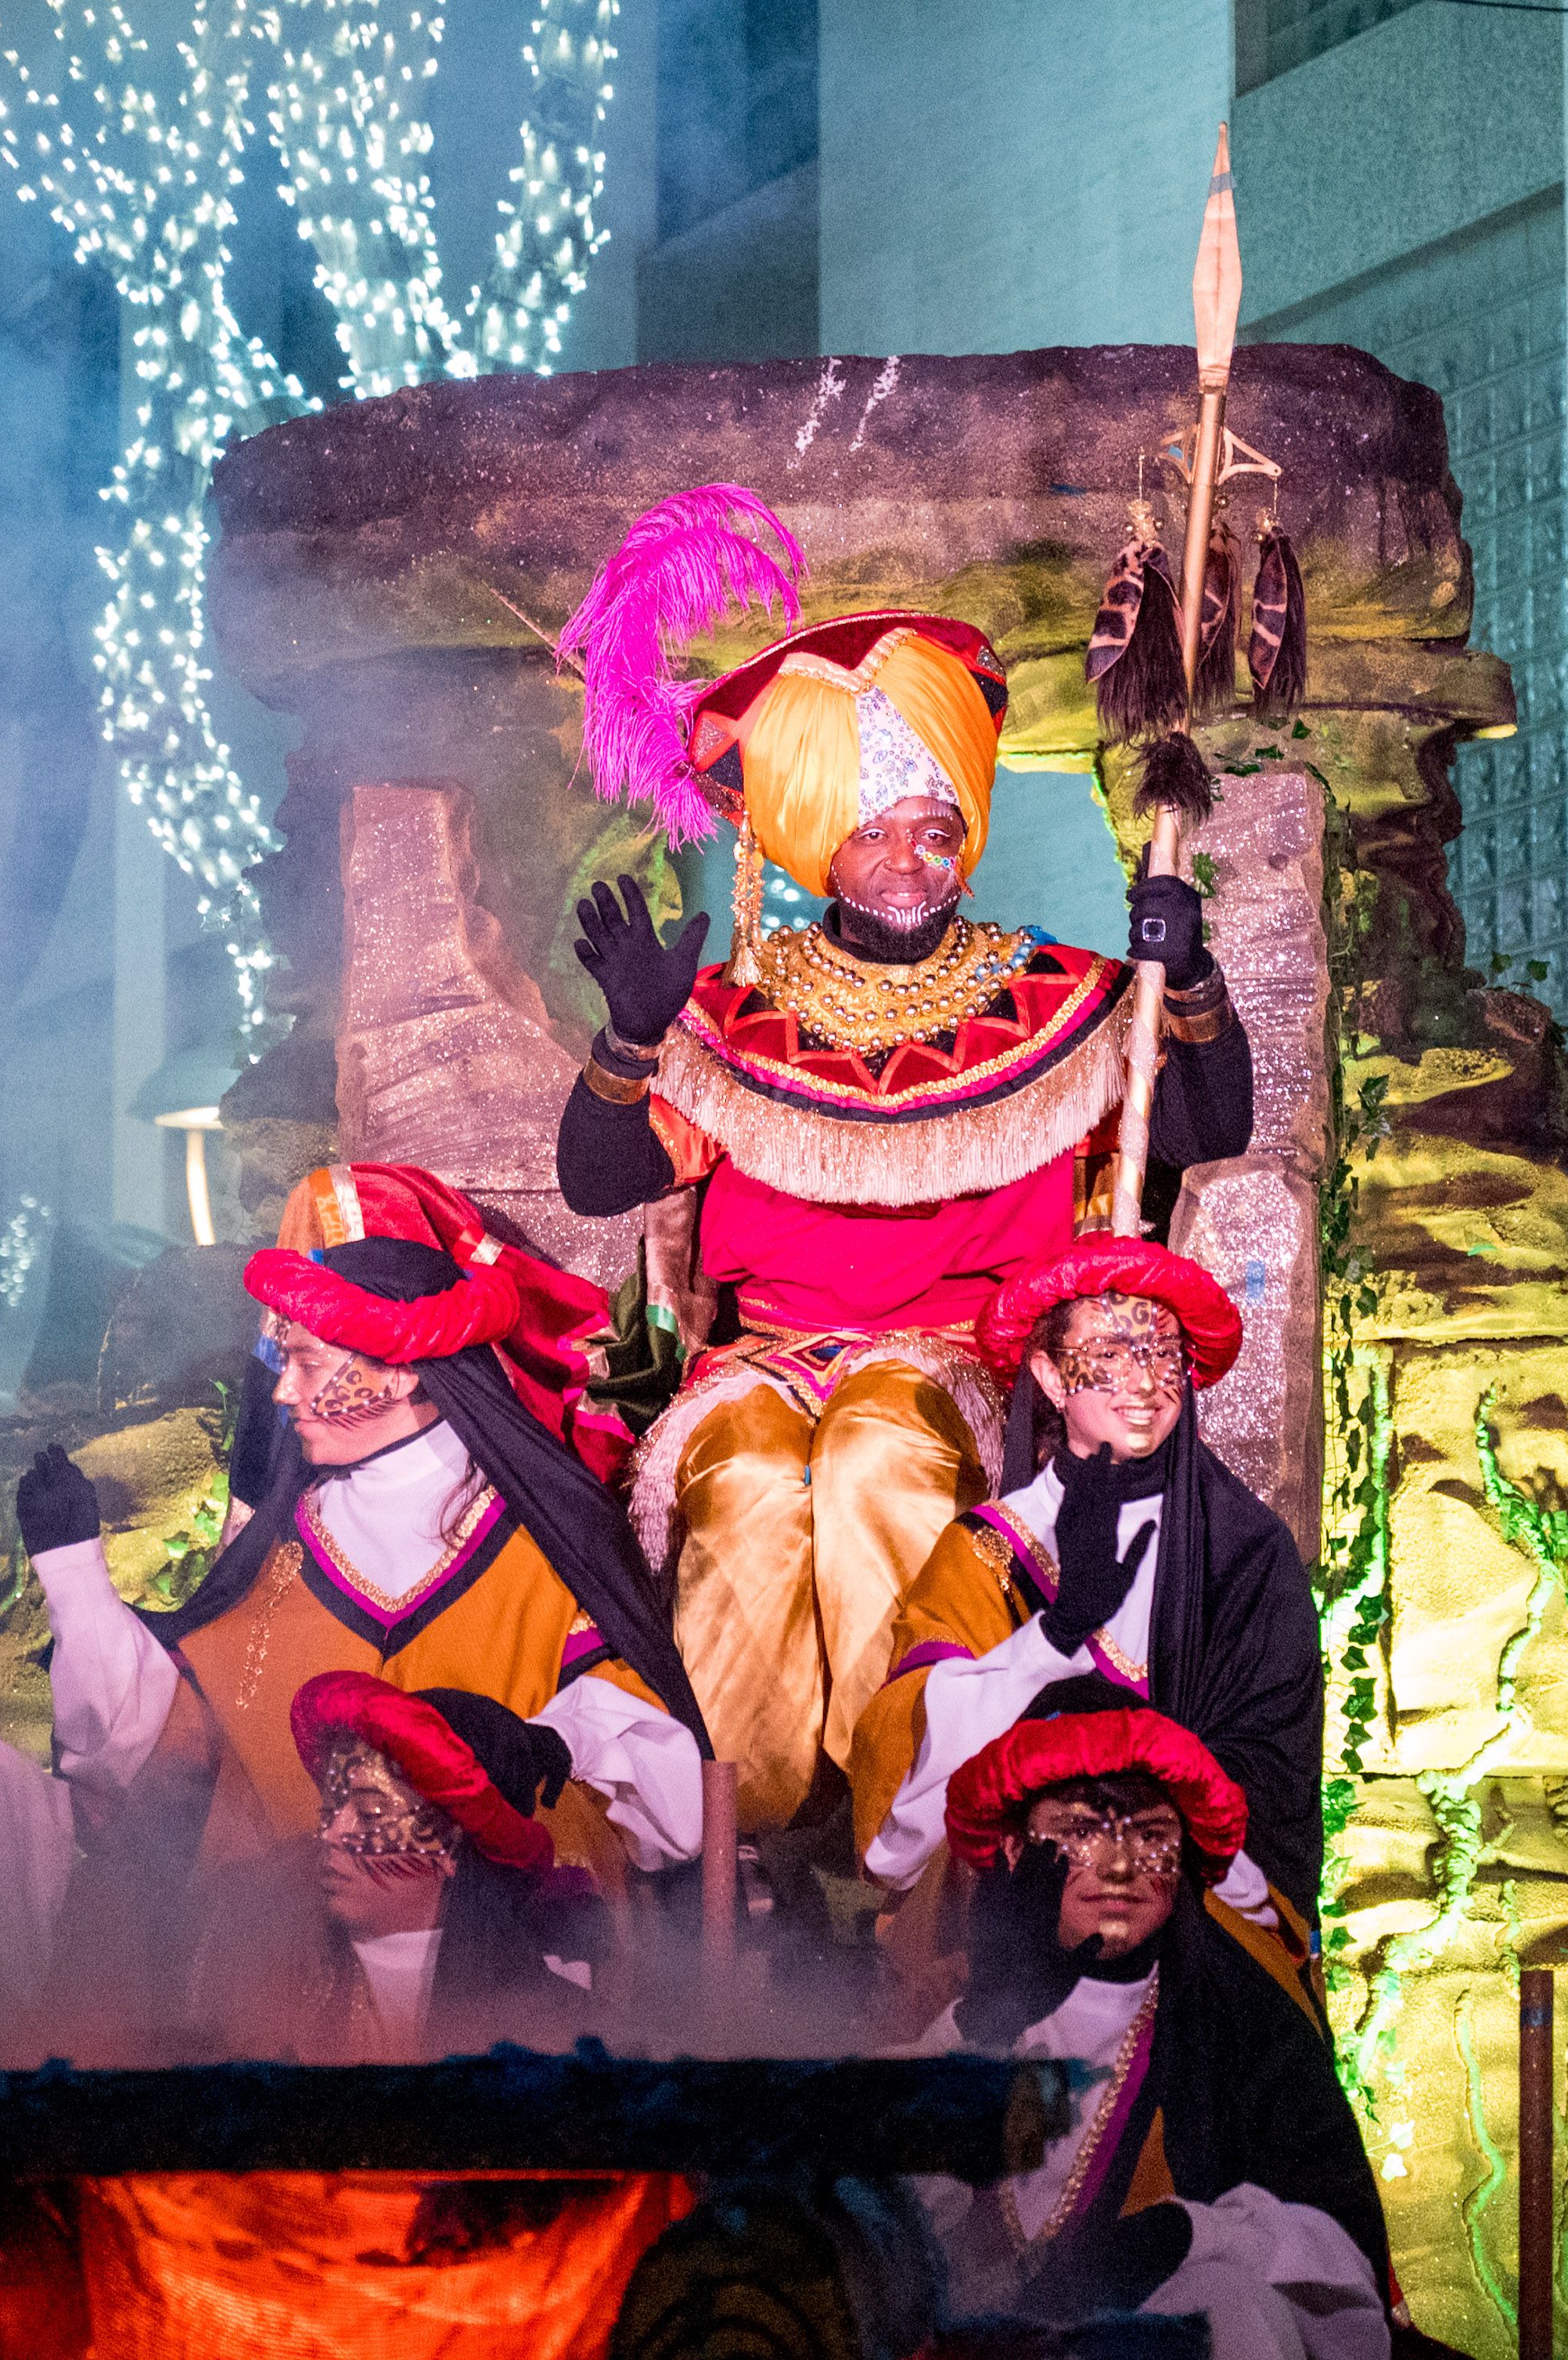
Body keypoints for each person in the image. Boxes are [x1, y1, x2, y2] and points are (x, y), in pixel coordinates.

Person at [552, 492, 1255, 1829]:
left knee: (877, 1451)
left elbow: (1207, 1131)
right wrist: (631, 1036)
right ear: (817, 841)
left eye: (933, 828)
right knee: (755, 1474)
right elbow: (596, 1181)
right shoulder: (737, 1011)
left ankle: (900, 1835)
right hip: (758, 1366)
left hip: (957, 1369)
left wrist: (1195, 977)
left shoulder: (1061, 997)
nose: (906, 860)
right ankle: (730, 1846)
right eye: (869, 831)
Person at [0, 1162, 707, 2042]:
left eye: (306, 1360)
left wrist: (551, 1745)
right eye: (282, 1360)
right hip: (268, 2039)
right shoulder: (268, 1572)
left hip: (514, 2049)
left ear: (404, 1368)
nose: (282, 1388)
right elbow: (127, 1815)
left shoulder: (541, 1564)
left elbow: (675, 1803)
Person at [907, 1685, 1394, 2357]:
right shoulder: (946, 2001)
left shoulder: (1247, 2026)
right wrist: (981, 2031)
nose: (1121, 1866)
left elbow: (1341, 2266)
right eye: (1080, 1832)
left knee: (1228, 2302)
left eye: (1151, 1835)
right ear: (1017, 1849)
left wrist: (1189, 2236)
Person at [849, 1235, 1316, 1917]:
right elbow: (908, 1780)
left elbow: (1274, 1774)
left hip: (1200, 1907)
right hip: (1017, 1901)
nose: (1146, 1384)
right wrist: (1054, 1636)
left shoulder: (1248, 1551)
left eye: (1162, 1353)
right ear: (1046, 1375)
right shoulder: (991, 1550)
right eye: (1109, 1356)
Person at [178, 1671, 609, 2060]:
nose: (331, 1833)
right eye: (331, 1805)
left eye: (369, 1814)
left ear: (454, 1850)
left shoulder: (550, 2033)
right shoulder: (254, 1972)